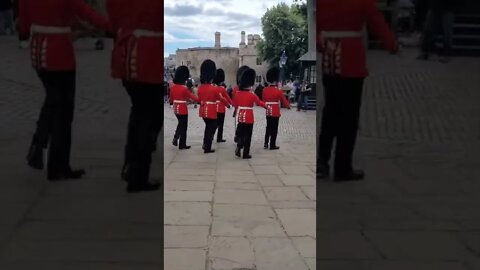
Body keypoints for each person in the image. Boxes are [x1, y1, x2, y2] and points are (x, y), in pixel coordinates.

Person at [20, 0, 109, 181]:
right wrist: (111, 27)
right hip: (58, 53)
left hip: (38, 50)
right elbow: (84, 12)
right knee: (63, 113)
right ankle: (57, 165)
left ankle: (40, 142)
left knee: (52, 100)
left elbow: (23, 22)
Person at [317, 0, 398, 181]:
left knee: (330, 113)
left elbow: (315, 21)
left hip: (331, 58)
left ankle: (322, 162)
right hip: (351, 59)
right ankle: (342, 167)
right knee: (349, 117)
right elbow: (376, 21)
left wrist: (320, 42)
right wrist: (392, 44)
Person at [107, 0, 163, 192]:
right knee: (149, 116)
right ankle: (138, 174)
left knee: (139, 112)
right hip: (149, 56)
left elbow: (113, 18)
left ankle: (131, 164)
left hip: (127, 52)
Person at [233, 68, 266, 159]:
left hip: (240, 115)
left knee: (241, 132)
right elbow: (259, 103)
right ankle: (245, 153)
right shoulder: (252, 94)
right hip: (248, 116)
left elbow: (235, 104)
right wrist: (266, 106)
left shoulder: (237, 94)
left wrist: (235, 112)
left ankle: (239, 146)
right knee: (248, 135)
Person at [197, 59, 228, 154]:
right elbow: (221, 98)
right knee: (213, 127)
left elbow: (199, 98)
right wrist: (228, 104)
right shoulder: (213, 88)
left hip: (202, 110)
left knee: (208, 127)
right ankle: (207, 147)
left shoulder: (200, 87)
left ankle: (205, 144)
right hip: (210, 111)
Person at [170, 66, 199, 150]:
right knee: (184, 126)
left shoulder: (173, 88)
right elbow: (194, 98)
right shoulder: (184, 88)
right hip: (183, 109)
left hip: (175, 109)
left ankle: (176, 138)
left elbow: (171, 99)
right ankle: (182, 144)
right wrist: (201, 99)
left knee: (180, 123)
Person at [262, 67, 290, 150]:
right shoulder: (278, 91)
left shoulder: (265, 90)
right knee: (274, 129)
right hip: (275, 111)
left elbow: (263, 100)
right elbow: (284, 101)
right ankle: (272, 144)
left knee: (268, 127)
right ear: (275, 80)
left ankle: (266, 143)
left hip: (268, 110)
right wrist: (288, 106)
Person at [213, 69, 232, 143]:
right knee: (220, 125)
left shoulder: (213, 88)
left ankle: (211, 136)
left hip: (214, 107)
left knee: (215, 124)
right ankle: (219, 138)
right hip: (221, 108)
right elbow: (226, 97)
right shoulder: (222, 89)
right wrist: (230, 104)